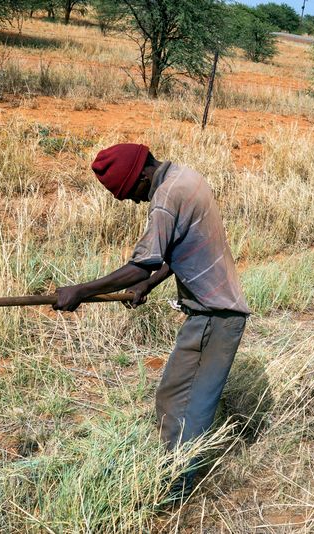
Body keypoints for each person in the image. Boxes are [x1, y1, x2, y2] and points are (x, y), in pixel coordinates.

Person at [53, 143, 250, 491]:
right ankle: (176, 473)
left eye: (131, 194)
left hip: (214, 316)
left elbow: (140, 263)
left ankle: (177, 485)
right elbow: (178, 250)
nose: (133, 202)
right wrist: (149, 284)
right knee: (176, 396)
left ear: (143, 175)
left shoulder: (163, 200)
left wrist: (81, 291)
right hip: (214, 313)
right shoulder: (185, 177)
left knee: (184, 403)